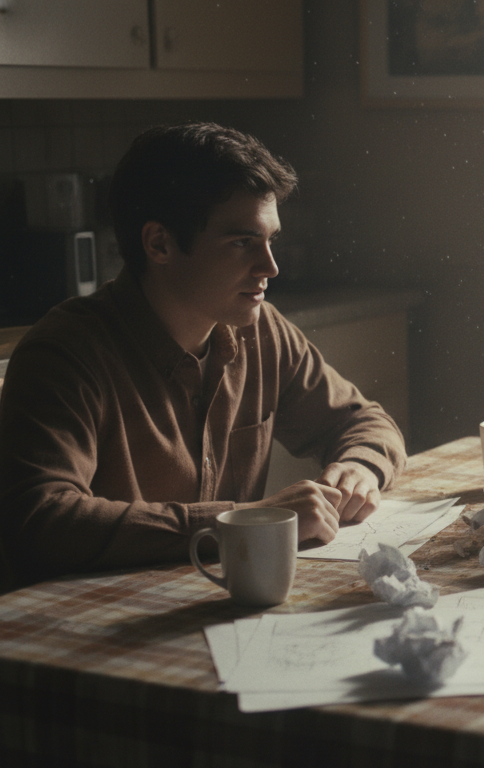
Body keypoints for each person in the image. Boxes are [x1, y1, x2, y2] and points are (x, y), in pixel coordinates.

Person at [0, 123, 407, 591]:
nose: (271, 266)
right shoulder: (66, 353)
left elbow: (366, 422)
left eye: (270, 239)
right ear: (159, 244)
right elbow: (42, 518)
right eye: (242, 242)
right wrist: (239, 521)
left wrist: (360, 466)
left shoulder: (264, 331)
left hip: (213, 604)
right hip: (95, 623)